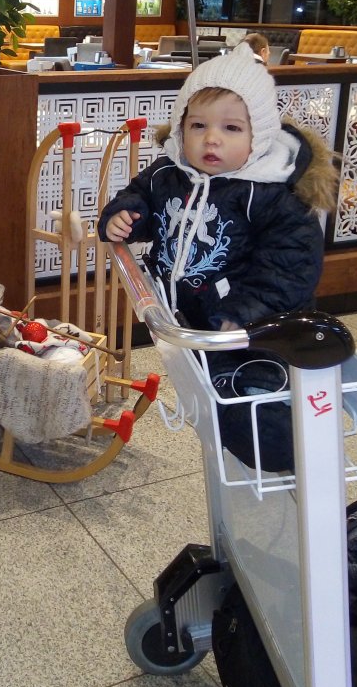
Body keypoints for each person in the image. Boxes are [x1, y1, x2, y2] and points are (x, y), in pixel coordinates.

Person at [97, 41, 338, 469]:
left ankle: (278, 434)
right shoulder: (168, 173)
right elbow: (140, 197)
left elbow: (290, 265)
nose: (212, 139)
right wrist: (125, 216)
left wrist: (247, 311)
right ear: (181, 127)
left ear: (258, 136)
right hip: (190, 321)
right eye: (198, 125)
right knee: (209, 392)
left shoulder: (271, 195)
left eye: (231, 128)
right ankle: (231, 413)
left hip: (253, 331)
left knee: (255, 397)